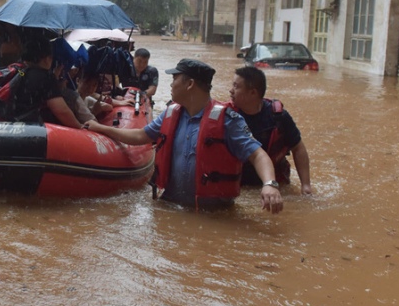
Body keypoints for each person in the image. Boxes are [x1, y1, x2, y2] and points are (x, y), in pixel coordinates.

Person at [84, 58, 283, 213]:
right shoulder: (171, 113)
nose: (170, 85)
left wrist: (270, 185)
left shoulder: (228, 121)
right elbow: (140, 136)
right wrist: (101, 129)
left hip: (212, 215)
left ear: (190, 84)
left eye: (174, 79)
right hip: (170, 207)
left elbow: (258, 155)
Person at [229, 66, 312, 195]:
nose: (231, 91)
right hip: (241, 185)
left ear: (253, 93)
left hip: (275, 185)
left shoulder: (278, 117)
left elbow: (298, 148)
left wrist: (306, 185)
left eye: (236, 86)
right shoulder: (228, 117)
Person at [12, 34, 83, 129]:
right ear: (47, 58)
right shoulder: (45, 77)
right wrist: (80, 127)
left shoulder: (17, 70)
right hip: (31, 131)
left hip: (8, 127)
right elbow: (61, 111)